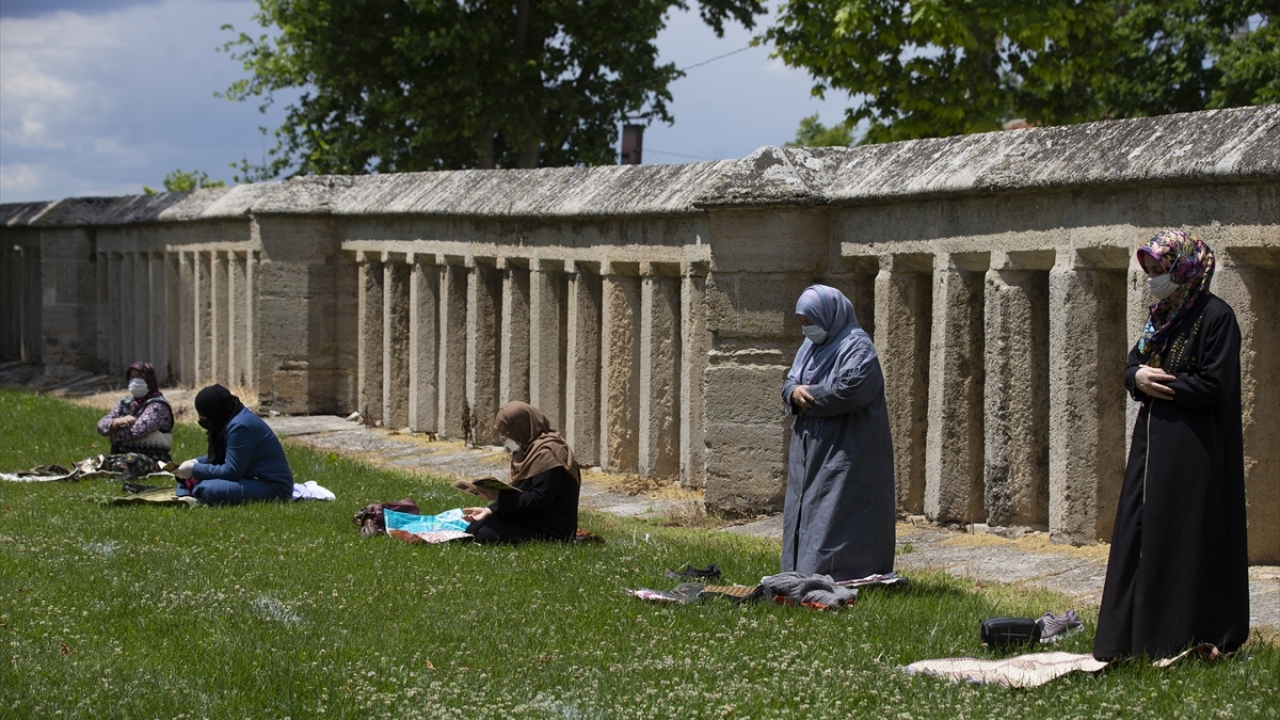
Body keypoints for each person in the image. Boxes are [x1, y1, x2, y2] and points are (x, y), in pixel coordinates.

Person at [1093, 229, 1249, 661]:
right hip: (1151, 443)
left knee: (1183, 535)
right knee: (1141, 531)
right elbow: (1132, 366)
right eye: (1150, 270)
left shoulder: (1217, 317)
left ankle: (1181, 634)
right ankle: (1131, 638)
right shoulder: (1159, 317)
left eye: (1161, 270)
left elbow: (1216, 383)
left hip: (1193, 449)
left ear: (1184, 269)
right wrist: (1137, 378)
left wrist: (1168, 384)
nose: (1154, 278)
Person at [780, 284, 895, 582]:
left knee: (841, 508)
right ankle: (801, 571)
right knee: (807, 507)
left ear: (830, 314)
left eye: (811, 322)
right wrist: (793, 392)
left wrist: (809, 397)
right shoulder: (811, 348)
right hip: (811, 448)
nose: (807, 330)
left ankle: (846, 572)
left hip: (848, 448)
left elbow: (852, 390)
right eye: (803, 323)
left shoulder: (858, 347)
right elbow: (791, 381)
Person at [462, 401, 580, 544]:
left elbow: (539, 499)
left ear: (521, 427)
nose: (503, 438)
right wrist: (490, 510)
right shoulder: (527, 451)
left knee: (484, 533)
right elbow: (521, 492)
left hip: (550, 527)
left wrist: (500, 496)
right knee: (474, 528)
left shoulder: (549, 453)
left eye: (506, 433)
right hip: (531, 519)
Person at [173, 384, 294, 506]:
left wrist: (194, 469)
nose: (202, 421)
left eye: (205, 417)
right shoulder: (229, 420)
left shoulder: (240, 427)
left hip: (271, 487)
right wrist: (195, 462)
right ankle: (184, 497)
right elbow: (225, 457)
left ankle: (195, 492)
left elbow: (232, 471)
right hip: (249, 478)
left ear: (215, 412)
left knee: (209, 488)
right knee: (189, 476)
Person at [96, 362, 175, 462]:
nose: (135, 380)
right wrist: (116, 422)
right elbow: (101, 425)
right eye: (132, 377)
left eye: (139, 376)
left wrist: (113, 433)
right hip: (122, 455)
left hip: (152, 459)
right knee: (99, 461)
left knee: (130, 462)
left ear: (149, 378)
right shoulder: (126, 402)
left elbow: (137, 431)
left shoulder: (158, 406)